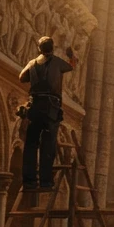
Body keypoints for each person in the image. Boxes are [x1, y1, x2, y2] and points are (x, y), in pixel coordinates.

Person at [18, 36, 76, 191]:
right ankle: (45, 182)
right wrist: (71, 55)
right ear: (52, 48)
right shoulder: (57, 62)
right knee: (48, 145)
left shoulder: (32, 63)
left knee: (31, 144)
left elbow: (22, 77)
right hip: (51, 107)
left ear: (39, 48)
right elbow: (72, 65)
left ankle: (29, 181)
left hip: (35, 105)